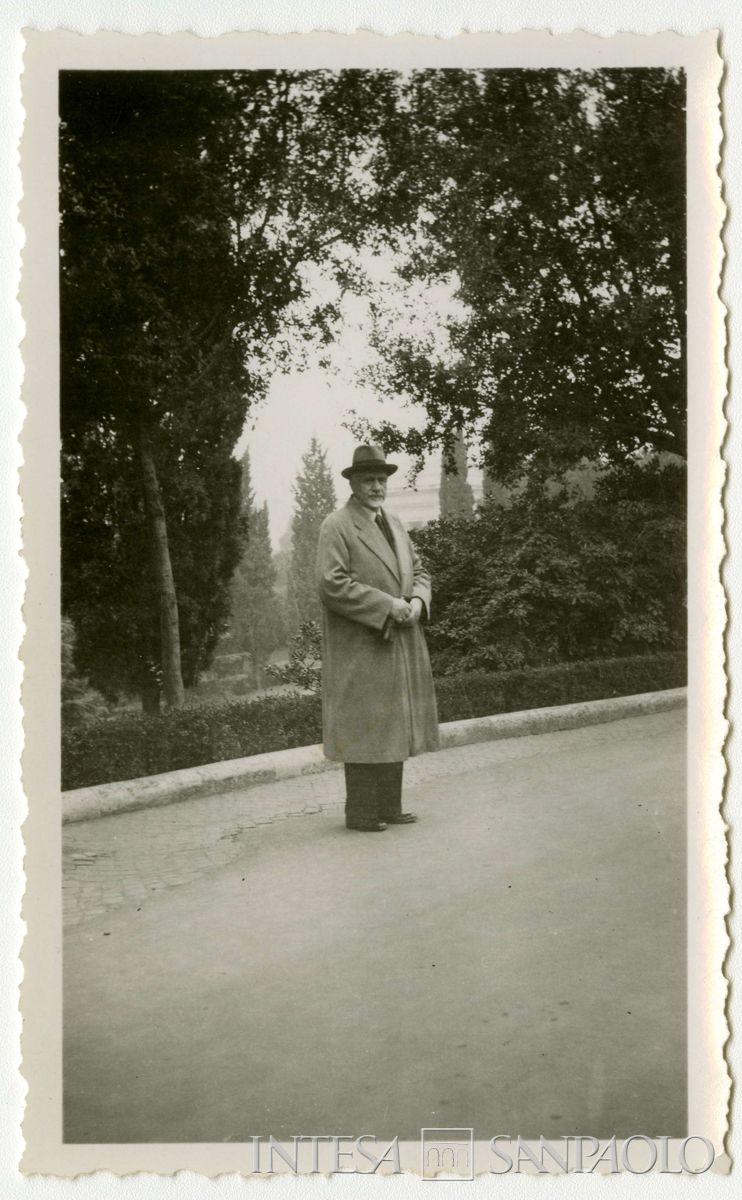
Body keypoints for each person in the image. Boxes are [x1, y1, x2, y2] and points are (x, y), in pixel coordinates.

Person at [316, 444, 439, 831]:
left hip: (400, 638)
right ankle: (361, 813)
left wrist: (418, 600)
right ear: (353, 483)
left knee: (393, 723)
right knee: (366, 725)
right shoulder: (336, 525)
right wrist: (387, 605)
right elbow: (331, 584)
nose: (376, 487)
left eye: (382, 480)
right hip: (363, 643)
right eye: (368, 480)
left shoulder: (396, 524)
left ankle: (389, 806)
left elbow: (419, 571)